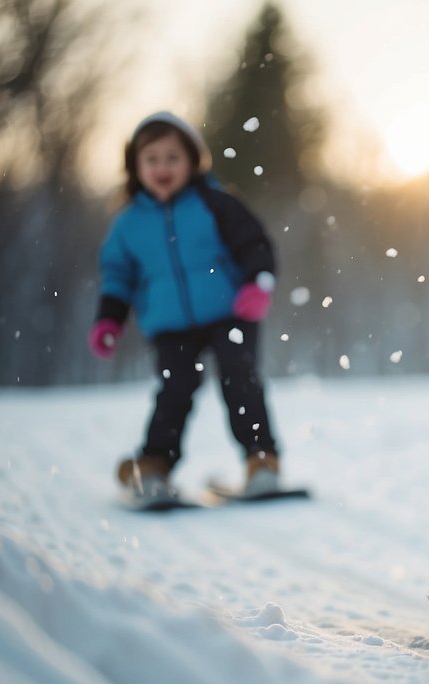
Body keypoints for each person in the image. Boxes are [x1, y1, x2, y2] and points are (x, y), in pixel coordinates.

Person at [88, 111, 282, 499]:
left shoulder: (216, 204)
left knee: (240, 379)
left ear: (193, 161)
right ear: (136, 166)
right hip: (170, 323)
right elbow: (118, 276)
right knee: (175, 389)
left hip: (230, 311)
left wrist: (258, 283)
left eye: (172, 158)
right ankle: (153, 466)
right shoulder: (128, 225)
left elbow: (254, 243)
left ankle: (261, 462)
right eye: (152, 159)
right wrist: (109, 320)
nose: (163, 167)